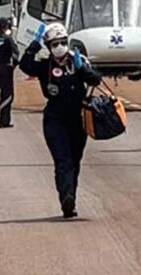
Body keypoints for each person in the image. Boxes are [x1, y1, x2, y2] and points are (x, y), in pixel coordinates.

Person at [19, 22, 100, 218]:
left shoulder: (78, 62)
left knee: (75, 161)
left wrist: (83, 70)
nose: (59, 47)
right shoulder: (45, 66)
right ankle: (66, 197)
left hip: (77, 119)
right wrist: (34, 45)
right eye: (54, 43)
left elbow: (96, 80)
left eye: (62, 42)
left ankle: (70, 198)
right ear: (48, 46)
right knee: (62, 160)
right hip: (55, 119)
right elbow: (24, 66)